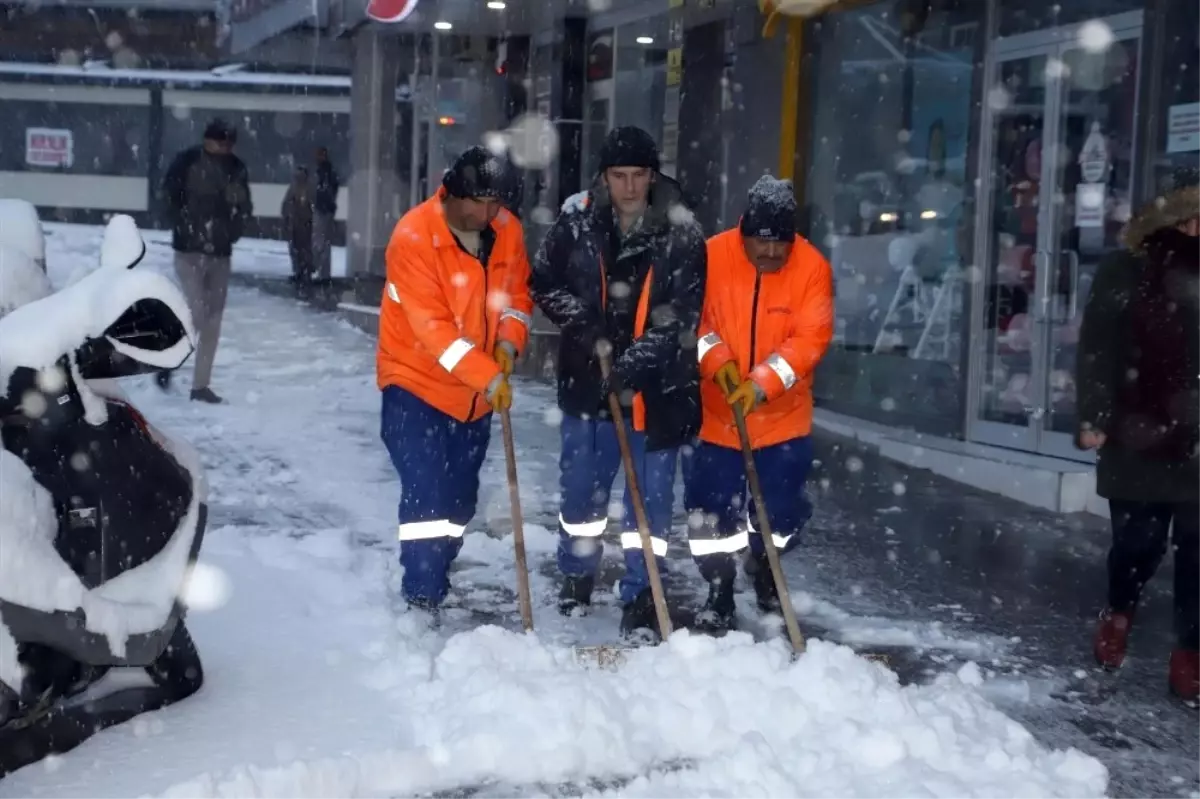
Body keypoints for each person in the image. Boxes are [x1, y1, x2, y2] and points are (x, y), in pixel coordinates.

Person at [529, 125, 706, 641]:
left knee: (648, 505)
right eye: (619, 176)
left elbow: (682, 315)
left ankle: (642, 592)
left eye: (639, 176)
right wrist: (583, 323)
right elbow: (543, 281)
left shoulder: (682, 231)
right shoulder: (577, 223)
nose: (630, 187)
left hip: (658, 395)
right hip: (587, 388)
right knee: (582, 496)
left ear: (653, 176)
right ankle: (577, 574)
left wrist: (633, 364)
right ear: (604, 177)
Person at [377, 146, 534, 612]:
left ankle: (438, 568)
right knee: (427, 497)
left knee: (460, 502)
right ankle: (422, 595)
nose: (489, 215)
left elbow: (517, 297)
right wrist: (488, 376)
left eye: (497, 204)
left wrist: (508, 344)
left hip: (476, 396)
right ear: (452, 193)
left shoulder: (506, 230)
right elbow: (434, 333)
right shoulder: (413, 238)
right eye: (480, 203)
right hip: (415, 384)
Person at [684, 176, 834, 631]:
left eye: (780, 245)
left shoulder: (811, 268)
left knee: (781, 512)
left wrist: (761, 384)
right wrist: (717, 362)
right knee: (709, 514)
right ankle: (719, 588)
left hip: (782, 419)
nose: (770, 254)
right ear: (744, 230)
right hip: (715, 415)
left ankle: (766, 562)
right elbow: (694, 323)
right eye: (760, 243)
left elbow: (810, 339)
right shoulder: (710, 256)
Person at [1077, 166, 1200, 704]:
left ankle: (1190, 655)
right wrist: (1094, 416)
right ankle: (1119, 613)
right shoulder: (1127, 270)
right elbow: (1099, 348)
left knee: (1199, 555)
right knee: (1137, 545)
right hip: (1139, 437)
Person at [157, 118, 252, 403]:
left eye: (229, 143)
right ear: (208, 140)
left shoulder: (236, 168)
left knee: (213, 320)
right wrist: (184, 225)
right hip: (189, 251)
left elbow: (243, 205)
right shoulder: (187, 162)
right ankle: (167, 361)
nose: (225, 147)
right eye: (220, 141)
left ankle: (200, 386)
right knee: (196, 312)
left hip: (220, 252)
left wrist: (232, 231)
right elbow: (168, 198)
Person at [281, 166, 315, 284]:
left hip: (305, 224)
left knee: (305, 248)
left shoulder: (309, 189)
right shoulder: (294, 188)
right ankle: (299, 271)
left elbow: (311, 206)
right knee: (296, 249)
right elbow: (286, 205)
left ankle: (306, 271)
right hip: (296, 223)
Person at [312, 146, 339, 282]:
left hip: (323, 209)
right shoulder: (328, 172)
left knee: (320, 241)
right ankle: (324, 272)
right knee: (323, 242)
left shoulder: (324, 172)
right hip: (326, 209)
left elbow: (325, 190)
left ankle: (321, 272)